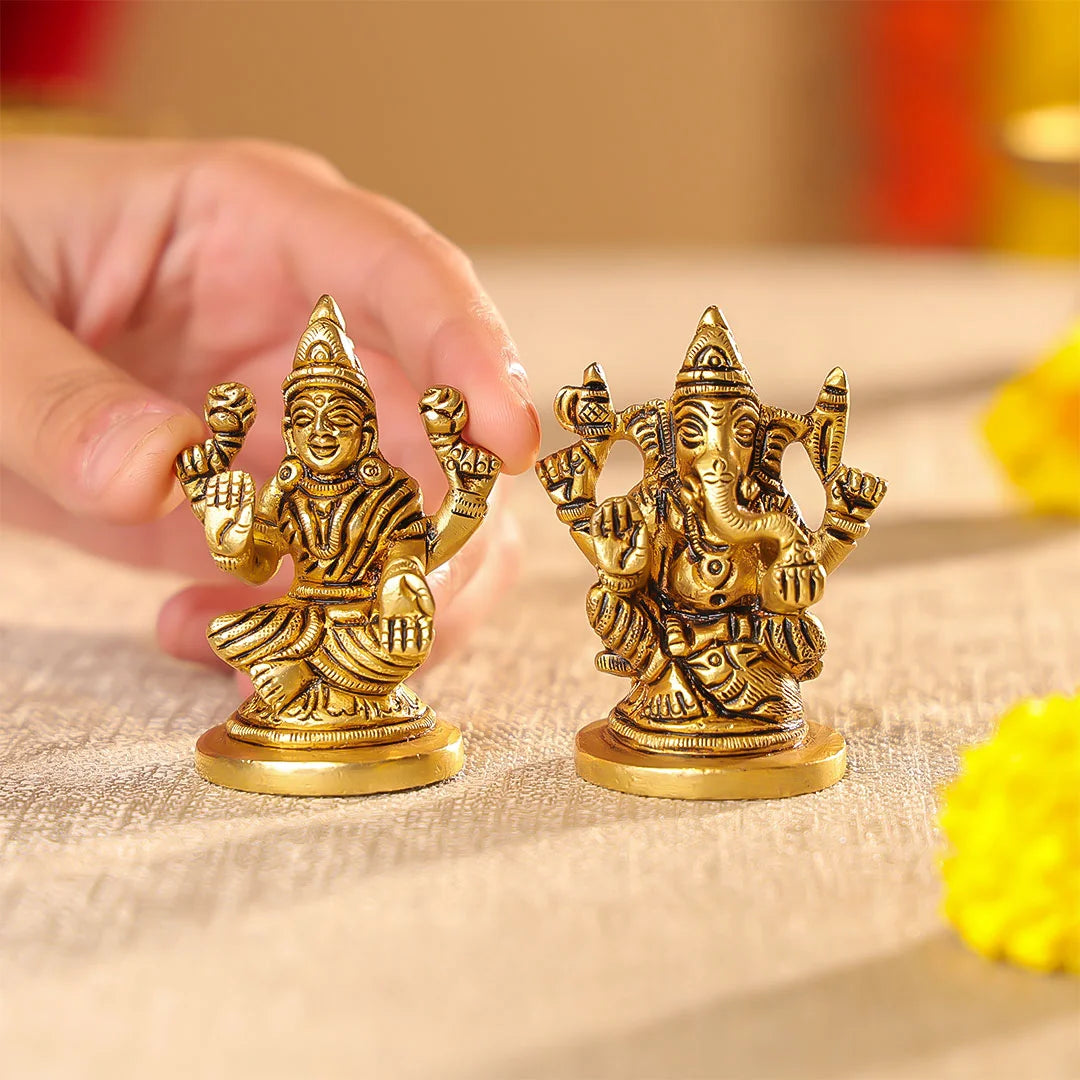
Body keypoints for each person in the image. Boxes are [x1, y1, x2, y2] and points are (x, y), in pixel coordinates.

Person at [0, 137, 541, 666]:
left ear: (366, 433)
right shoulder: (286, 490)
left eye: (339, 418)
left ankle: (329, 677)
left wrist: (465, 498)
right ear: (288, 432)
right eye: (305, 418)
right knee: (232, 632)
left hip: (366, 619)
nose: (321, 430)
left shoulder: (390, 491)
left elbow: (426, 552)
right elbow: (259, 566)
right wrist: (228, 533)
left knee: (399, 624)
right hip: (302, 620)